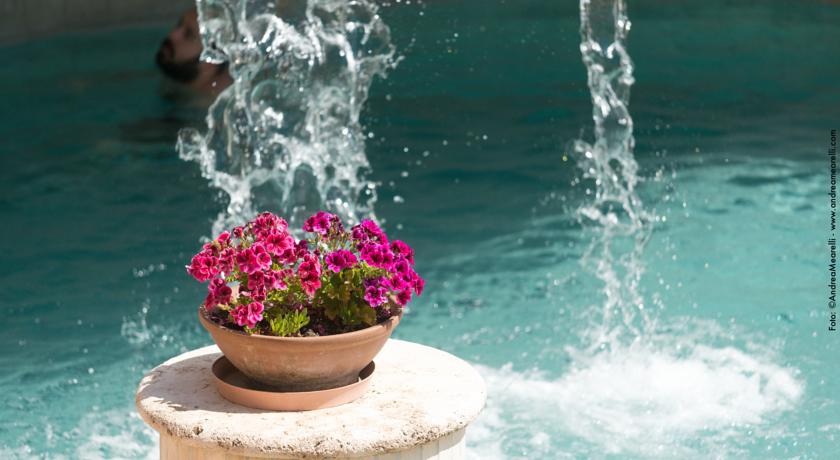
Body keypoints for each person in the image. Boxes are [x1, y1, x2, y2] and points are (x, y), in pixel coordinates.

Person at [156, 8, 232, 97]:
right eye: (179, 24)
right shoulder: (176, 85)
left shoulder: (212, 105)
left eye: (188, 35)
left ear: (210, 60)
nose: (172, 35)